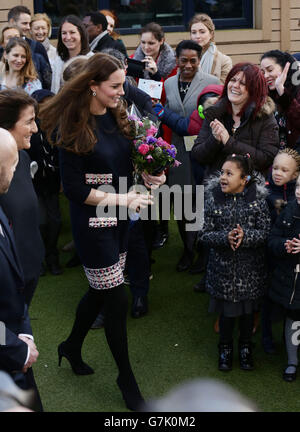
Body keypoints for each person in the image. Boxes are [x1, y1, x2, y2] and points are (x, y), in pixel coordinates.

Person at [39, 53, 165, 411]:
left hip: (121, 218)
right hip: (94, 228)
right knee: (115, 297)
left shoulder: (118, 113)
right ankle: (126, 380)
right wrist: (124, 197)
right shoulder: (72, 127)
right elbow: (75, 189)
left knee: (99, 291)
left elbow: (132, 159)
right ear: (92, 86)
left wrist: (151, 175)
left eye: (122, 83)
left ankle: (70, 346)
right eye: (114, 86)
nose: (121, 90)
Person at [192, 62, 279, 295]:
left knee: (247, 246)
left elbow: (266, 158)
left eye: (243, 83)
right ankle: (214, 284)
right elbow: (198, 154)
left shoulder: (265, 119)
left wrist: (229, 142)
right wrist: (216, 138)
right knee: (216, 240)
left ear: (254, 90)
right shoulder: (215, 112)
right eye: (233, 79)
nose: (236, 85)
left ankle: (249, 299)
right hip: (216, 191)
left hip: (250, 194)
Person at [199, 154, 271, 371]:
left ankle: (246, 347)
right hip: (223, 274)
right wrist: (225, 238)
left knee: (248, 316)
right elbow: (204, 234)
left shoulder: (258, 201)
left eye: (229, 173)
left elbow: (265, 231)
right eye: (222, 172)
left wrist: (245, 236)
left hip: (250, 274)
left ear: (244, 179)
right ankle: (225, 347)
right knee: (227, 316)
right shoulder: (213, 199)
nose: (223, 177)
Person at [164, 40, 220, 272]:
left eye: (193, 60)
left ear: (200, 60)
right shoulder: (167, 83)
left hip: (203, 150)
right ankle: (187, 250)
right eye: (183, 60)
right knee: (181, 202)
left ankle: (202, 252)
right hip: (177, 152)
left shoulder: (212, 82)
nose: (188, 65)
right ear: (176, 59)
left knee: (201, 202)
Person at [0, 127, 42, 410]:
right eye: (12, 165)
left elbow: (14, 287)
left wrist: (24, 334)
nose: (16, 172)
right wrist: (18, 347)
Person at [0, 89, 44, 308]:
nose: (35, 129)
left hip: (30, 266)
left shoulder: (23, 157)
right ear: (7, 125)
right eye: (29, 122)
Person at [262, 148, 300, 354]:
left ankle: (290, 342)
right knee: (268, 295)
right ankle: (266, 336)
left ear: (294, 175)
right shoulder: (264, 193)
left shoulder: (297, 195)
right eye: (275, 168)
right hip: (268, 253)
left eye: (284, 170)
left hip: (290, 259)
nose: (277, 173)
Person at [268, 173, 300, 381]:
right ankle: (292, 361)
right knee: (294, 319)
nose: (298, 191)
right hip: (291, 281)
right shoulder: (290, 209)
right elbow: (273, 238)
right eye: (298, 185)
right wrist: (284, 246)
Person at [27, 89, 62, 276]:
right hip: (34, 182)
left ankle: (52, 255)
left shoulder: (57, 126)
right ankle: (39, 258)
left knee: (55, 221)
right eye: (44, 102)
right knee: (40, 222)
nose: (48, 106)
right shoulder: (29, 127)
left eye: (52, 102)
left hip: (52, 181)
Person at [260, 50, 300, 149]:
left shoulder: (297, 89)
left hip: (294, 155)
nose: (265, 76)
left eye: (270, 70)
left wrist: (281, 91)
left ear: (285, 68)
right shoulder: (265, 94)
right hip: (270, 154)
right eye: (263, 72)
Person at [8, 5, 52, 90]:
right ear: (12, 22)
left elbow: (48, 79)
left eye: (29, 23)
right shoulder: (2, 48)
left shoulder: (37, 47)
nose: (28, 27)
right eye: (25, 23)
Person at [51, 15, 93, 94]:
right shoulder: (58, 60)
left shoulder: (91, 59)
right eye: (64, 33)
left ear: (81, 34)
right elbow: (54, 90)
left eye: (72, 32)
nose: (68, 37)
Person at [189, 13, 232, 84]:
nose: (197, 36)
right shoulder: (184, 58)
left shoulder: (224, 61)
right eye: (194, 32)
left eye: (202, 32)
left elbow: (222, 89)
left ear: (211, 34)